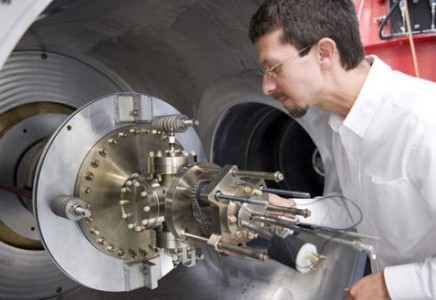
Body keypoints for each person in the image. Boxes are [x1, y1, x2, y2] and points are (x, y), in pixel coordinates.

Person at [248, 0, 436, 299]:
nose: (266, 87)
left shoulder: (424, 123)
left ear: (324, 52)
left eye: (273, 68)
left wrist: (391, 285)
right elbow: (357, 208)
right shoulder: (343, 123)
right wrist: (291, 210)